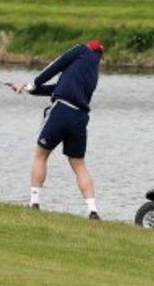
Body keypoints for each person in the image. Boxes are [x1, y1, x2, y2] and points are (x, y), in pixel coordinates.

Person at [10, 40, 104, 219]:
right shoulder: (92, 73)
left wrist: (34, 83)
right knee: (79, 164)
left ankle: (34, 202)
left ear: (88, 47)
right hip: (80, 118)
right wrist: (28, 90)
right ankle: (92, 210)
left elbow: (57, 63)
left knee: (41, 154)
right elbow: (58, 88)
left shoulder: (81, 51)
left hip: (61, 110)